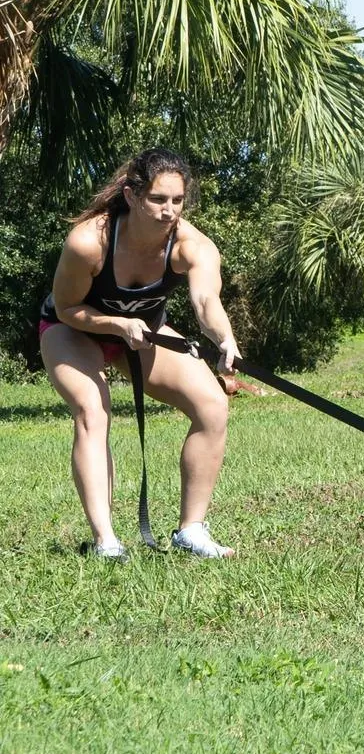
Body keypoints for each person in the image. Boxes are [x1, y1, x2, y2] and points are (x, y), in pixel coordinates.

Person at [39, 147, 240, 562]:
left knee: (212, 405)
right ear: (132, 195)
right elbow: (68, 308)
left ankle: (192, 530)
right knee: (93, 410)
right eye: (158, 200)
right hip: (72, 329)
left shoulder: (193, 245)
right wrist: (116, 325)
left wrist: (225, 339)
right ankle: (106, 541)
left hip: (143, 333)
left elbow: (206, 303)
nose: (169, 211)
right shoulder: (88, 241)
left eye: (177, 201)